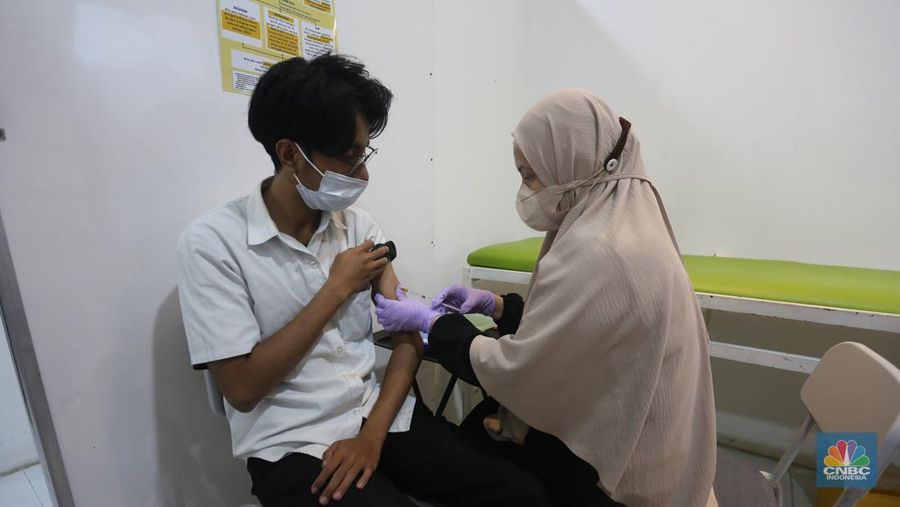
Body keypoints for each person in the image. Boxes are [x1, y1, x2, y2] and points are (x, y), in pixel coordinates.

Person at [177, 54, 552, 507]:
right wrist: (335, 289)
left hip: (380, 416)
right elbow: (241, 388)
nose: (363, 175)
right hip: (291, 443)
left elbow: (407, 336)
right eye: (349, 158)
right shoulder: (213, 244)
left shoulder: (358, 228)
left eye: (365, 154)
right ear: (290, 154)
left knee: (522, 494)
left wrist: (372, 435)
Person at [375, 89, 719, 507]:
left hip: (623, 478)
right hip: (660, 449)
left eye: (530, 176)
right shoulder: (628, 219)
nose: (526, 191)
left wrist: (432, 322)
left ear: (571, 161)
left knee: (486, 454)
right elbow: (578, 327)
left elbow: (521, 368)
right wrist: (496, 305)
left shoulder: (601, 250)